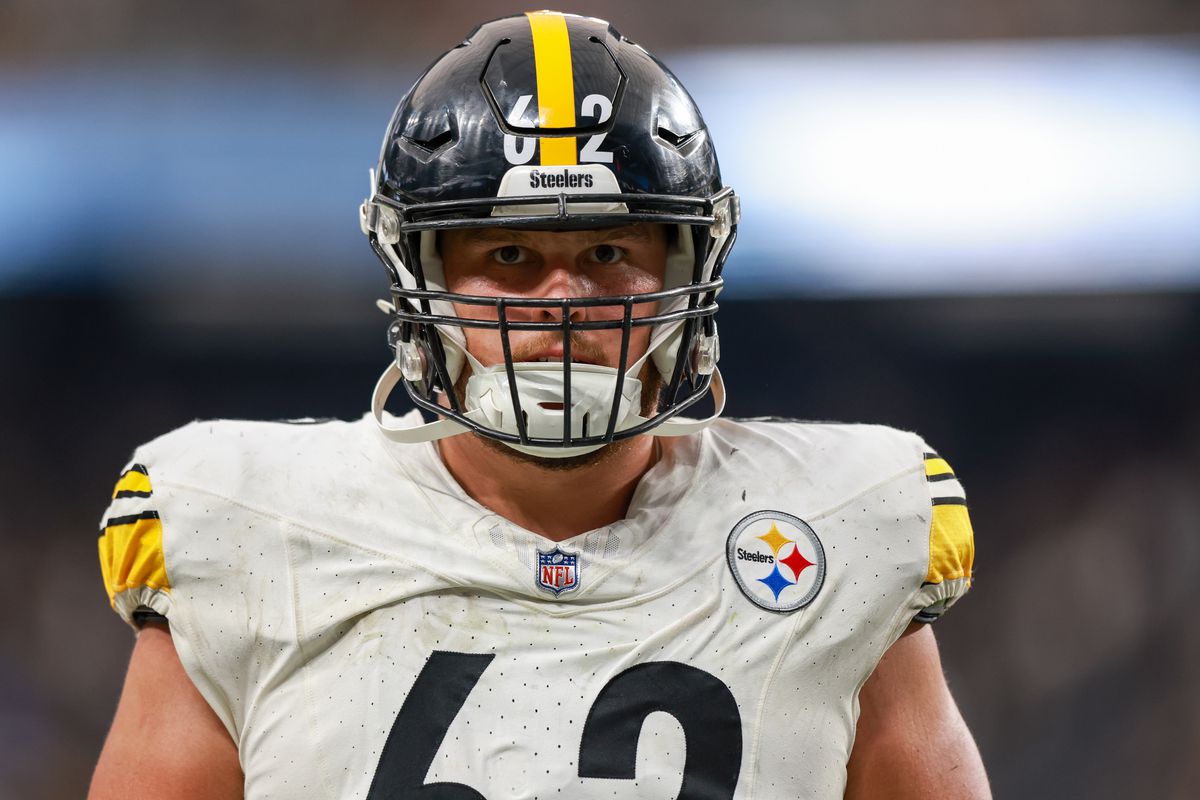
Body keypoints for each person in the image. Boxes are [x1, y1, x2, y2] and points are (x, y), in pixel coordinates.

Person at [90, 11, 988, 799]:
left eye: (607, 254)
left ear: (688, 273)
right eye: (509, 258)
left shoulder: (848, 526)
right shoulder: (242, 529)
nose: (562, 305)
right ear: (419, 280)